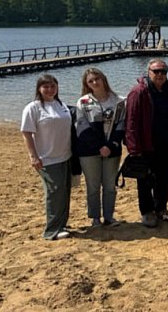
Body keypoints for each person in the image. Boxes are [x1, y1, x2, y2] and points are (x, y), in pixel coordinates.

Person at [125, 59, 168, 228]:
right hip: (146, 144)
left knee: (164, 177)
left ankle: (161, 208)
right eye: (156, 71)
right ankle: (147, 212)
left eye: (163, 71)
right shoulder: (139, 92)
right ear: (148, 71)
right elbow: (131, 121)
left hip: (166, 143)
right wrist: (134, 148)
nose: (160, 74)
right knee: (145, 180)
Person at [21, 74, 73, 240]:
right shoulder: (33, 107)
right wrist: (33, 156)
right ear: (39, 88)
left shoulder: (61, 104)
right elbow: (27, 133)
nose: (50, 90)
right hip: (47, 158)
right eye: (46, 87)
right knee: (54, 192)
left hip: (65, 156)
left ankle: (61, 223)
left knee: (64, 192)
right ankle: (51, 231)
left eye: (53, 86)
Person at [75, 67, 125, 227]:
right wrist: (99, 147)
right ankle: (95, 218)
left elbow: (121, 126)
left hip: (113, 150)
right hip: (89, 151)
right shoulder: (83, 102)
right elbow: (82, 128)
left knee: (110, 185)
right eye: (91, 81)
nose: (95, 82)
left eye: (97, 79)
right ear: (87, 84)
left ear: (103, 79)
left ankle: (109, 217)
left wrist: (110, 146)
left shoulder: (118, 101)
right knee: (93, 185)